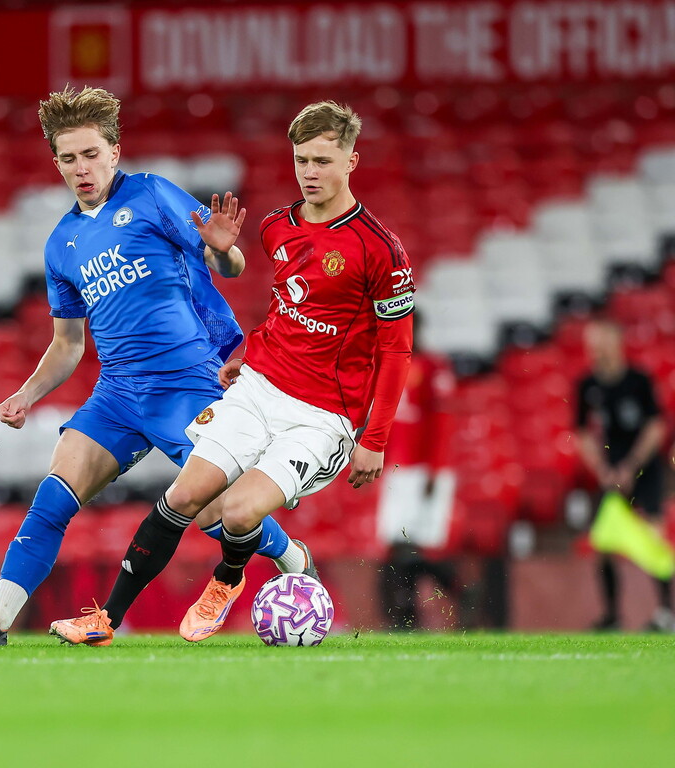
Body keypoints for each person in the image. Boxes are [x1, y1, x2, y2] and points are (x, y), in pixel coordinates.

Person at [0, 86, 312, 645]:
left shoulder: (154, 195)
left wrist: (226, 250)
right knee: (56, 493)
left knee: (218, 512)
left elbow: (225, 259)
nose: (81, 169)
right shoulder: (63, 243)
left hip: (189, 381)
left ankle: (292, 555)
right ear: (55, 162)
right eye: (68, 158)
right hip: (119, 393)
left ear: (113, 151)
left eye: (90, 155)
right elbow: (67, 344)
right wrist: (27, 394)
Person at [50, 99, 415, 646]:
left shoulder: (379, 249)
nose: (310, 173)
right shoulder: (277, 227)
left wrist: (375, 439)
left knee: (242, 513)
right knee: (183, 498)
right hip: (258, 390)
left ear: (351, 162)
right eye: (301, 161)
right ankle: (104, 620)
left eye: (322, 160)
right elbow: (289, 308)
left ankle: (226, 578)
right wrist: (250, 355)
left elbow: (397, 350)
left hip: (320, 415)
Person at [575, 318, 672, 632]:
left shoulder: (639, 381)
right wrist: (604, 470)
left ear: (616, 345)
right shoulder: (587, 385)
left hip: (644, 469)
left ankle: (666, 613)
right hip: (611, 472)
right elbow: (581, 435)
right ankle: (613, 615)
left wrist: (631, 466)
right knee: (603, 544)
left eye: (600, 344)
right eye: (592, 345)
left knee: (654, 536)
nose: (595, 351)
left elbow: (656, 427)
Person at [376, 313, 459, 630]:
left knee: (411, 544)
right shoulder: (389, 364)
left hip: (423, 472)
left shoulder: (434, 367)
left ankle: (412, 613)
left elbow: (442, 425)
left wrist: (435, 472)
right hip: (399, 471)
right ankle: (409, 615)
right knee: (398, 543)